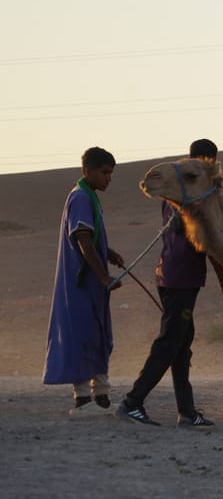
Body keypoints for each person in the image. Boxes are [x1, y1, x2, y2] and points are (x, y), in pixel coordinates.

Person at [115, 140, 223, 427]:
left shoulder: (177, 192)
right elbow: (207, 240)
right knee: (170, 343)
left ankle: (187, 411)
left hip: (173, 275)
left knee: (182, 345)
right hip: (180, 278)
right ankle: (132, 402)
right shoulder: (188, 195)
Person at [43, 147, 126, 416]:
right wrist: (104, 276)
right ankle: (82, 399)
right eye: (104, 173)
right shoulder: (80, 197)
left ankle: (101, 396)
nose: (108, 179)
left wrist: (109, 252)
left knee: (99, 334)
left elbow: (91, 236)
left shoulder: (90, 196)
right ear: (87, 171)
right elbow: (82, 239)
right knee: (80, 334)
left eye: (111, 173)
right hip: (81, 283)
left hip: (94, 283)